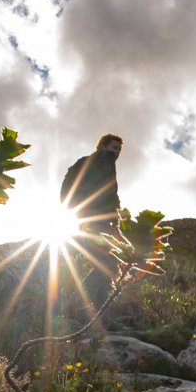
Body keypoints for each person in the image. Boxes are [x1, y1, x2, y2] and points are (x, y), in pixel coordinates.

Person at [60, 133, 124, 312]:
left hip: (85, 220)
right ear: (102, 146)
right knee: (108, 264)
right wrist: (115, 218)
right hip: (100, 221)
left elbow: (67, 191)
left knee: (101, 264)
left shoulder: (82, 162)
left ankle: (98, 312)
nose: (116, 153)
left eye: (118, 150)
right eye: (113, 148)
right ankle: (77, 301)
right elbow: (108, 191)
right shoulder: (105, 159)